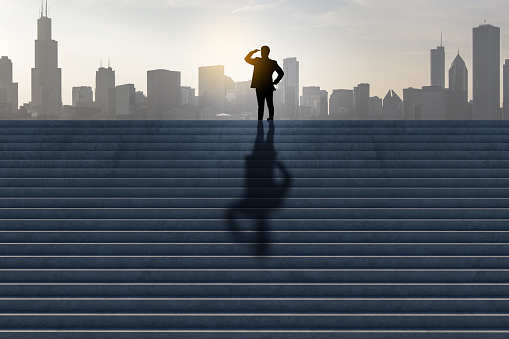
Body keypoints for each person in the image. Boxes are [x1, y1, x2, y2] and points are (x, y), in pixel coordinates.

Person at [245, 46, 284, 121]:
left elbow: (246, 59)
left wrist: (253, 52)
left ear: (262, 52)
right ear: (268, 52)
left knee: (261, 106)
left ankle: (260, 120)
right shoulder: (272, 63)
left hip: (260, 87)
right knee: (270, 104)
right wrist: (275, 82)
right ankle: (271, 118)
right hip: (269, 86)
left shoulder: (257, 61)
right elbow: (281, 73)